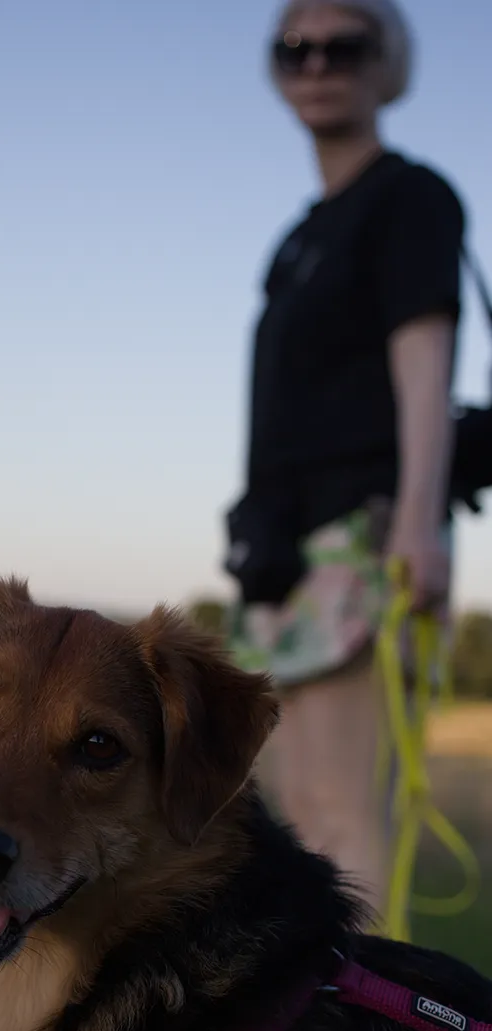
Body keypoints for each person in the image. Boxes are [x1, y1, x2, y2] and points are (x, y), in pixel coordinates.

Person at [223, 0, 465, 921]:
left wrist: (416, 528)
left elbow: (425, 371)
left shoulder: (410, 198)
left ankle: (351, 1007)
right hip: (283, 552)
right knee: (289, 816)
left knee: (340, 818)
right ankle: (304, 1002)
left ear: (387, 64)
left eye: (345, 46)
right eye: (296, 48)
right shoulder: (299, 238)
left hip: (362, 535)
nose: (319, 64)